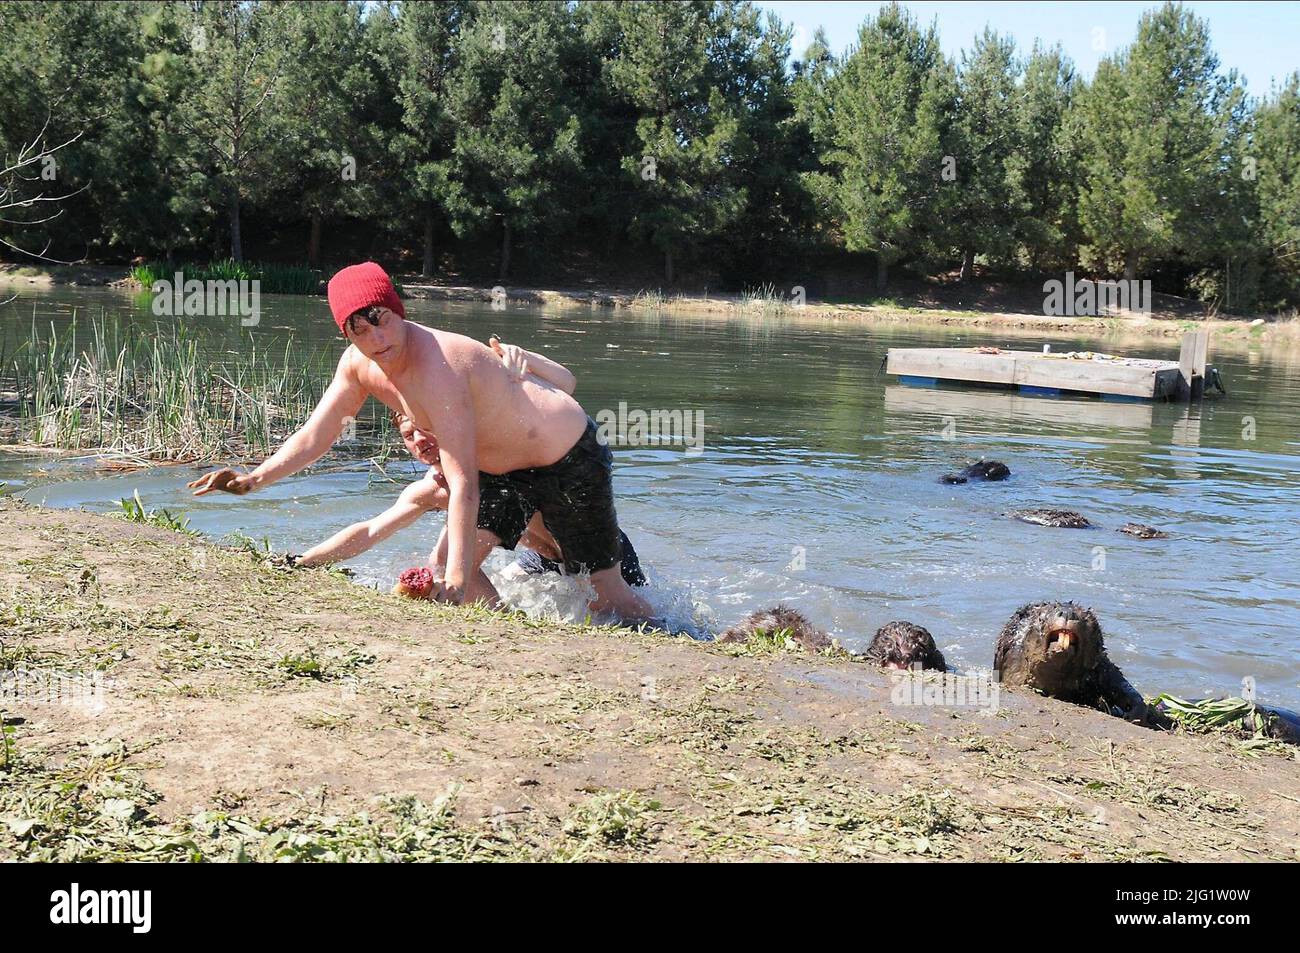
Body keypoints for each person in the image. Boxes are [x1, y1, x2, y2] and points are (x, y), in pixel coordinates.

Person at [188, 261, 651, 623]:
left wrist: (449, 583)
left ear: (398, 310)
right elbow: (318, 433)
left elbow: (463, 481)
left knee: (606, 596)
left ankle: (689, 636)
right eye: (359, 329)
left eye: (381, 319)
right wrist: (254, 479)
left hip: (567, 456)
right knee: (462, 562)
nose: (376, 338)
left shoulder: (439, 367)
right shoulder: (357, 366)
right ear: (346, 333)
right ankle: (508, 625)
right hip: (504, 469)